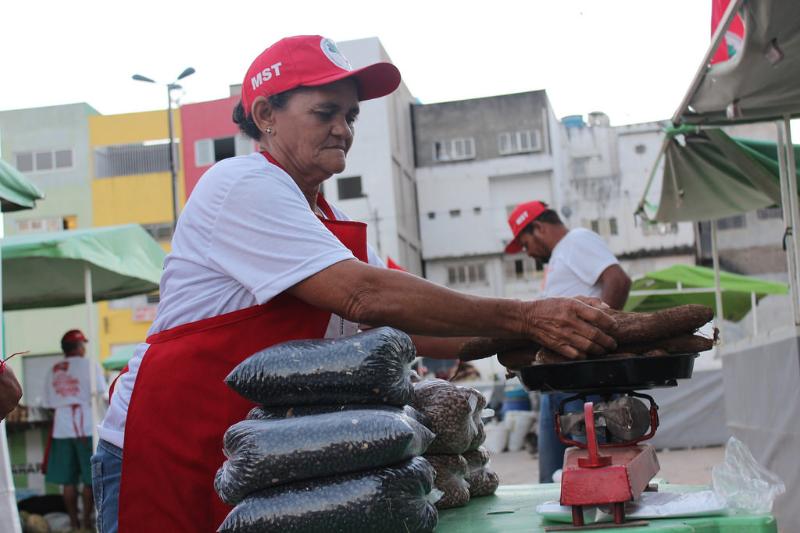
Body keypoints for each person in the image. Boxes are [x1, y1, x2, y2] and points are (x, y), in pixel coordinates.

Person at [92, 35, 618, 533]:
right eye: (325, 112)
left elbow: (409, 322)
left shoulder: (327, 216)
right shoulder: (240, 185)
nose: (343, 128)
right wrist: (526, 316)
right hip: (171, 442)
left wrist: (538, 340)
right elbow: (362, 294)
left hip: (255, 457)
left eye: (351, 115)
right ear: (265, 115)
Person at [504, 200, 631, 483]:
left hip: (581, 379)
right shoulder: (562, 256)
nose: (528, 253)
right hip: (558, 379)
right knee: (554, 479)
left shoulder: (576, 240)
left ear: (538, 228)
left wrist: (599, 338)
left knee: (588, 472)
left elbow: (618, 280)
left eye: (525, 244)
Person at [43, 329, 107, 530]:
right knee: (89, 479)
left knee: (68, 482)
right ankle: (87, 522)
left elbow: (47, 403)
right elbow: (101, 391)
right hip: (86, 426)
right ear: (80, 347)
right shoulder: (90, 365)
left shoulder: (53, 368)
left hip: (62, 427)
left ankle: (73, 522)